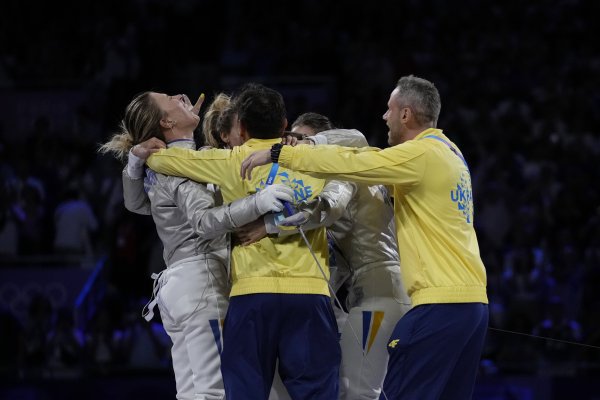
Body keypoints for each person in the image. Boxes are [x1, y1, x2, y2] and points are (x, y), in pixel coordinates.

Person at [240, 75, 489, 400]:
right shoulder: (450, 152)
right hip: (470, 304)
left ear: (405, 114)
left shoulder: (418, 155)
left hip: (420, 300)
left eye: (389, 109)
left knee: (360, 393)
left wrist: (282, 154)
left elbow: (351, 160)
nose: (384, 117)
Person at [144, 83, 341, 400]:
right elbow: (360, 155)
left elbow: (167, 161)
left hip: (251, 297)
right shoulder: (313, 159)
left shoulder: (229, 161)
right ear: (284, 125)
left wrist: (141, 156)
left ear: (242, 127)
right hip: (309, 296)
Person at [100, 90, 295, 400]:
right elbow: (204, 223)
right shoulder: (179, 165)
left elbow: (138, 205)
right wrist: (258, 203)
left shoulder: (165, 161)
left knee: (192, 394)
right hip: (201, 282)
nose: (180, 95)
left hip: (179, 289)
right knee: (213, 392)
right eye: (169, 98)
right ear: (165, 121)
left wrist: (135, 165)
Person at [288, 113, 412, 400]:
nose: (295, 149)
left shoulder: (345, 168)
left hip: (380, 292)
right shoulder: (362, 167)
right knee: (358, 388)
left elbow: (330, 205)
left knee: (358, 392)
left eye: (301, 140)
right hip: (380, 291)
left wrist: (277, 221)